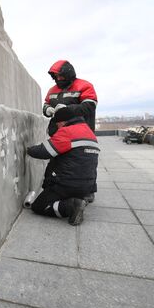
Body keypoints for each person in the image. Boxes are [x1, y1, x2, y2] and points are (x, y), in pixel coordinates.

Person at [26, 107, 100, 226]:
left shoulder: (67, 131)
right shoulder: (88, 131)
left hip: (67, 184)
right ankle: (78, 200)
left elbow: (43, 152)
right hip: (87, 187)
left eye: (58, 124)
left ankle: (71, 206)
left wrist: (27, 149)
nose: (57, 127)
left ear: (62, 122)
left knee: (39, 206)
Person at [43, 60, 98, 203]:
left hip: (81, 133)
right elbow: (46, 104)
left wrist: (68, 109)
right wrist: (47, 109)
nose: (58, 79)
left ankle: (88, 191)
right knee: (57, 162)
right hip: (59, 132)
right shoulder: (52, 90)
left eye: (61, 76)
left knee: (85, 163)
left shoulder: (84, 86)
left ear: (68, 74)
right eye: (56, 77)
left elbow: (89, 107)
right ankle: (54, 187)